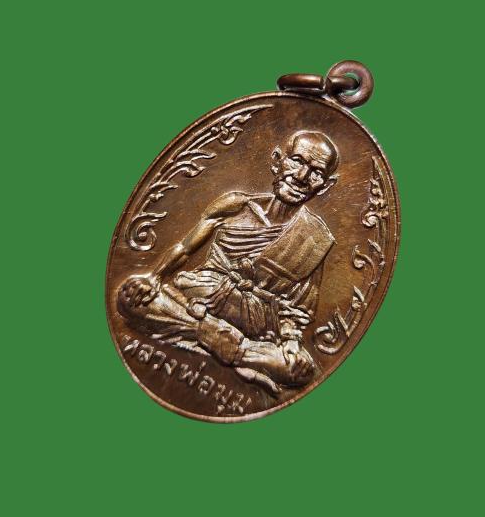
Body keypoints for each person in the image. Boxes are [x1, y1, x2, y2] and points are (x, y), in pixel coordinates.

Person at [118, 131, 339, 394]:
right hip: (202, 296)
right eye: (297, 161)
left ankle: (209, 337)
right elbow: (185, 248)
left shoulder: (315, 238)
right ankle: (235, 351)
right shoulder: (235, 205)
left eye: (316, 172)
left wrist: (291, 341)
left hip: (256, 323)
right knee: (131, 296)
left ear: (325, 185)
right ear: (277, 160)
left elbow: (296, 307)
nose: (301, 176)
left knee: (302, 370)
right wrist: (154, 277)